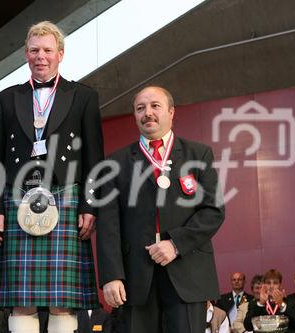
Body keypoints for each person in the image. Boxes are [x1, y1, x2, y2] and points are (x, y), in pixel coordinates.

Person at [0, 21, 103, 333]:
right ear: (26, 53)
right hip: (16, 197)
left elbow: (95, 158)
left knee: (62, 299)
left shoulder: (82, 96)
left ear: (60, 54)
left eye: (48, 50)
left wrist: (89, 206)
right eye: (35, 50)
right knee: (21, 299)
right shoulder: (6, 98)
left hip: (66, 195)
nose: (41, 56)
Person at [96, 86, 225, 333]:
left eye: (155, 106)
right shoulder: (115, 163)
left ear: (171, 112)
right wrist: (111, 276)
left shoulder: (198, 154)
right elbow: (108, 224)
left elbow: (213, 210)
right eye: (140, 108)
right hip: (134, 279)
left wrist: (175, 244)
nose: (148, 113)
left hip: (187, 273)